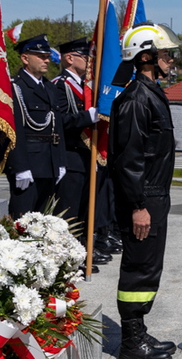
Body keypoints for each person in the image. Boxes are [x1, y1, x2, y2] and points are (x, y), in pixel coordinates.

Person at [110, 23, 180, 359]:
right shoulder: (136, 99)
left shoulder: (151, 92)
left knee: (149, 266)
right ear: (146, 56)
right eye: (165, 53)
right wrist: (138, 206)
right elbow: (128, 159)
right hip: (143, 199)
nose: (170, 59)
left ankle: (139, 329)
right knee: (138, 267)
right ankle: (131, 342)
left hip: (154, 196)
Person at [52, 38, 110, 268]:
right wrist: (88, 117)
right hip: (70, 154)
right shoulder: (60, 85)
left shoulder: (87, 87)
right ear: (69, 58)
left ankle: (84, 252)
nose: (89, 62)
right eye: (86, 57)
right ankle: (69, 258)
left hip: (87, 154)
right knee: (70, 210)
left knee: (87, 208)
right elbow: (60, 121)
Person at [7, 34, 65, 218]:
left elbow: (57, 127)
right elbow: (14, 130)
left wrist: (60, 161)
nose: (47, 61)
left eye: (47, 56)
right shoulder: (16, 88)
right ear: (25, 58)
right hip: (29, 164)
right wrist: (20, 166)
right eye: (41, 57)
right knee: (22, 220)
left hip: (49, 163)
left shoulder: (49, 87)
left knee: (44, 221)